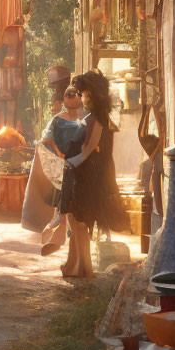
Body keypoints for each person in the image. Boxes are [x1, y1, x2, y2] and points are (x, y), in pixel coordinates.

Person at [58, 70, 128, 279]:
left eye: (84, 93)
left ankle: (85, 269)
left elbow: (89, 148)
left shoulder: (97, 118)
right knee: (77, 220)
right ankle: (77, 266)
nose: (81, 97)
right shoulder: (90, 116)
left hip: (90, 174)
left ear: (93, 94)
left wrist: (72, 162)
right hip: (84, 171)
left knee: (81, 221)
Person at [37, 83, 85, 254]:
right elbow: (47, 140)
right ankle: (56, 239)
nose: (72, 111)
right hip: (62, 163)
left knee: (74, 202)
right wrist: (60, 154)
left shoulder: (85, 118)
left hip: (80, 163)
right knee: (64, 202)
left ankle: (69, 242)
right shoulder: (57, 119)